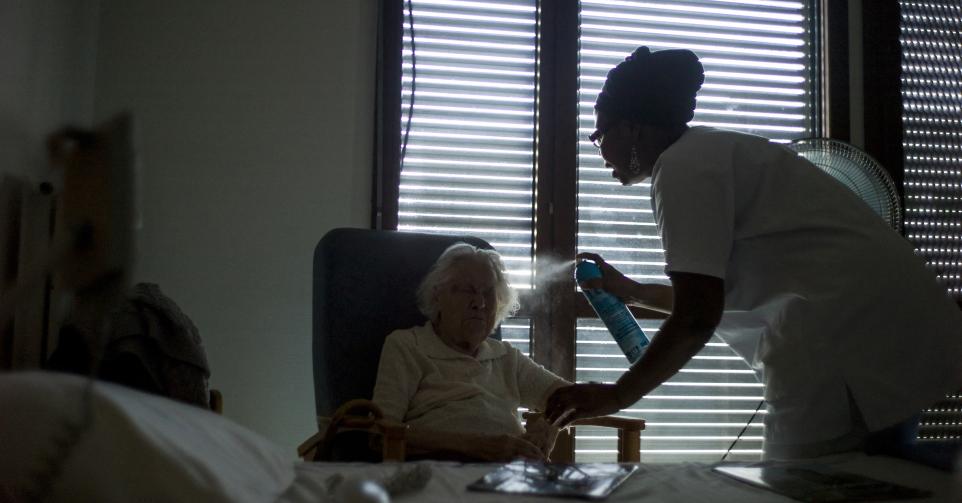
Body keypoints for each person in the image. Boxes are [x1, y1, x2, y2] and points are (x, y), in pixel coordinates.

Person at [544, 46, 962, 469]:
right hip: (885, 331)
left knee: (799, 481)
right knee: (878, 475)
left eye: (600, 134)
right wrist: (629, 292)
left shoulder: (682, 168)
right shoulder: (710, 151)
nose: (599, 149)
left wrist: (617, 395)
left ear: (632, 128)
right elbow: (711, 297)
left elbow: (697, 316)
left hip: (843, 341)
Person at [372, 243, 568, 461]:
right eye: (467, 290)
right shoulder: (408, 345)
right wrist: (474, 446)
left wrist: (550, 424)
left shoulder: (506, 357)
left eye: (488, 293)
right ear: (438, 296)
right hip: (440, 475)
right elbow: (381, 433)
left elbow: (570, 398)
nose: (480, 303)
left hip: (510, 475)